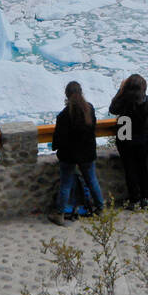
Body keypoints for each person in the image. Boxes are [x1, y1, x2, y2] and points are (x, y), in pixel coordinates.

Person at [51, 81, 105, 224]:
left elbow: (58, 139)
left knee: (66, 184)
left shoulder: (63, 116)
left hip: (69, 156)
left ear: (67, 95)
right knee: (92, 180)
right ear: (81, 93)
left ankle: (60, 214)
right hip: (87, 154)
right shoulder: (89, 109)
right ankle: (100, 208)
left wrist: (55, 147)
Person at [108, 73, 148, 209]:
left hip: (125, 134)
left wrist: (121, 91)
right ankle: (146, 198)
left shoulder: (122, 102)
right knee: (142, 167)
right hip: (142, 136)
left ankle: (135, 200)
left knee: (129, 169)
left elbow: (113, 109)